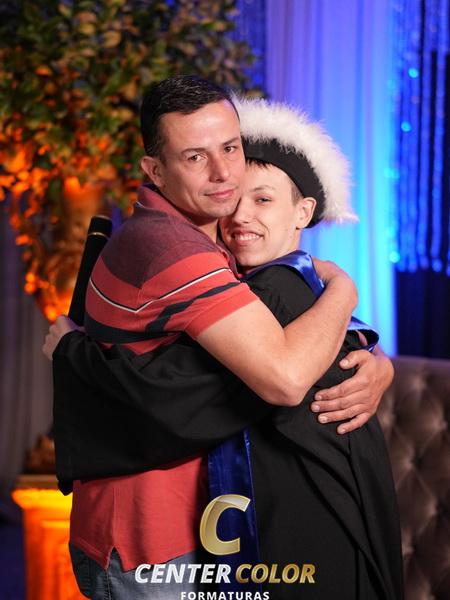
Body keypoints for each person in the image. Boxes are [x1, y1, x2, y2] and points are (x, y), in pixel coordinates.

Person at [44, 78, 396, 599]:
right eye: (195, 157)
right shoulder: (180, 251)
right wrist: (344, 289)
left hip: (189, 535)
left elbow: (286, 338)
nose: (224, 175)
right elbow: (285, 377)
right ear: (155, 170)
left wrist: (373, 354)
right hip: (152, 547)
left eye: (230, 148)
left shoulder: (213, 243)